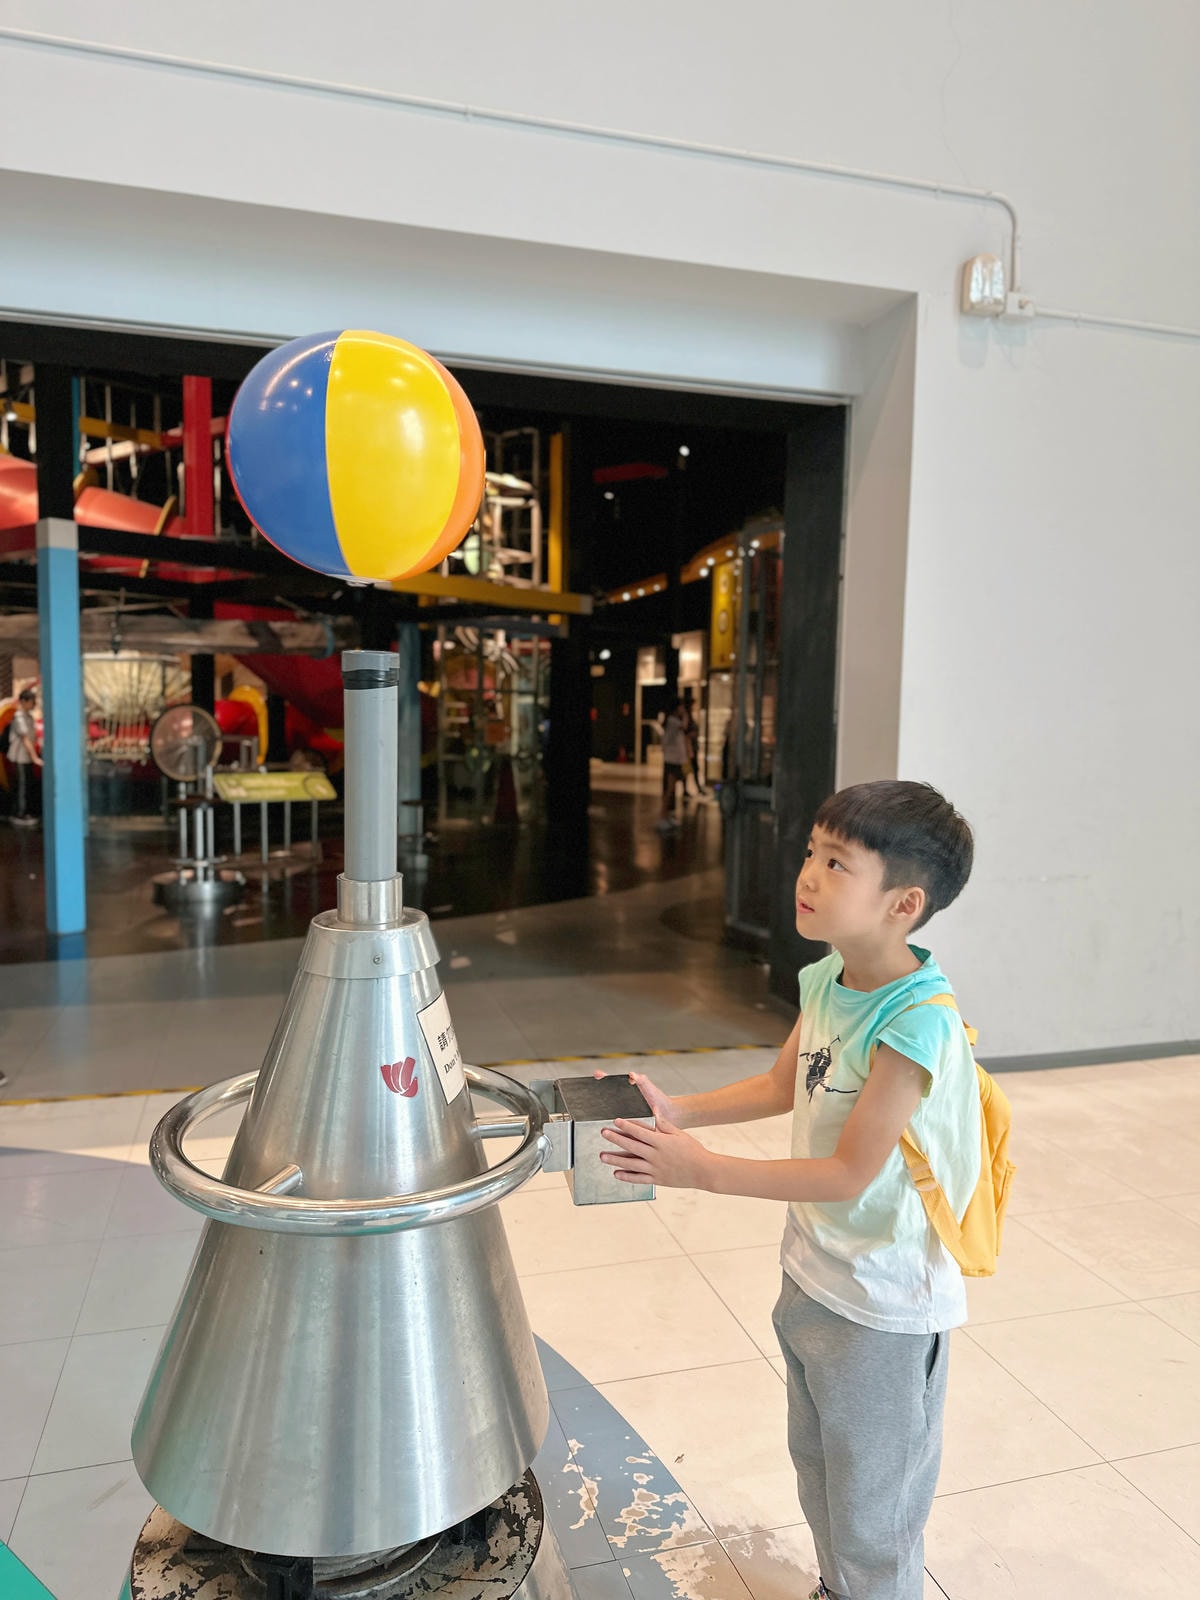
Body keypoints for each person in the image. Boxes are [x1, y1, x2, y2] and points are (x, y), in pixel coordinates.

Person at [601, 780, 978, 1600]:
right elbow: (783, 1084)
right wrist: (678, 1109)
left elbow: (847, 1172)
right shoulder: (828, 979)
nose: (808, 874)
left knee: (874, 1506)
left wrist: (703, 1170)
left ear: (903, 904)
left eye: (837, 863)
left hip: (882, 1306)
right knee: (821, 1469)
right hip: (814, 1271)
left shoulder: (918, 1023)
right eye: (812, 852)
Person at [8, 686, 42, 826]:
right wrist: (34, 757)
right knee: (22, 785)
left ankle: (25, 811)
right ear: (23, 701)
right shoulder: (19, 718)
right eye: (32, 701)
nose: (34, 704)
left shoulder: (29, 717)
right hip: (19, 757)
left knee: (27, 784)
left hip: (26, 757)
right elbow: (25, 739)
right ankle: (19, 814)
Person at [655, 699, 689, 831]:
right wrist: (685, 715)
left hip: (673, 759)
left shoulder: (671, 721)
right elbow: (684, 727)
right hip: (672, 760)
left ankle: (666, 816)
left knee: (671, 789)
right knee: (669, 790)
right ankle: (662, 816)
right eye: (681, 707)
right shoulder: (673, 721)